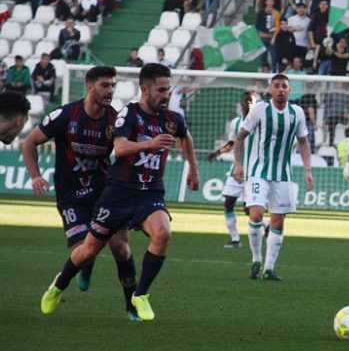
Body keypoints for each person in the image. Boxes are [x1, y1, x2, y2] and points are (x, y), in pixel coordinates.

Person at [40, 63, 200, 321]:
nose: (166, 95)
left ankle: (140, 295)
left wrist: (194, 168)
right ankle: (59, 285)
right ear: (145, 90)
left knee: (163, 233)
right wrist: (151, 143)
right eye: (161, 90)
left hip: (150, 194)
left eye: (168, 89)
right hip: (118, 194)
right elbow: (121, 148)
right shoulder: (129, 114)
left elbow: (186, 136)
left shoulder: (172, 120)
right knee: (89, 250)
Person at [26, 66, 141, 320]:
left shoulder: (116, 121)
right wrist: (35, 175)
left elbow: (126, 156)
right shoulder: (65, 115)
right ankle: (79, 272)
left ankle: (131, 306)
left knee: (121, 249)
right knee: (84, 252)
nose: (110, 90)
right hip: (71, 195)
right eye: (104, 85)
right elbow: (30, 142)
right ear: (89, 87)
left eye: (112, 85)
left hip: (105, 192)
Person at [233, 74, 314, 281]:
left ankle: (269, 268)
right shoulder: (260, 109)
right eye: (276, 86)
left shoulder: (297, 112)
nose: (280, 90)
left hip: (283, 175)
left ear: (289, 90)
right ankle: (256, 259)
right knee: (257, 214)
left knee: (278, 221)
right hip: (258, 172)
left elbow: (303, 142)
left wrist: (307, 170)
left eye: (284, 86)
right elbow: (240, 136)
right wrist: (238, 164)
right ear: (271, 89)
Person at [207, 91, 270, 249]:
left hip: (254, 171)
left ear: (255, 104)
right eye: (246, 101)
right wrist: (217, 152)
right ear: (241, 104)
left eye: (251, 101)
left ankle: (267, 225)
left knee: (249, 209)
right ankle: (235, 239)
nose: (248, 104)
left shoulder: (261, 122)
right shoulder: (235, 123)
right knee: (228, 202)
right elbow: (232, 144)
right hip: (237, 169)